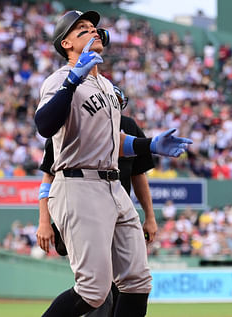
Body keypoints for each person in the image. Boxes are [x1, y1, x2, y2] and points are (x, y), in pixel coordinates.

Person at [34, 10, 192, 317]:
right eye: (82, 29)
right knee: (93, 291)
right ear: (66, 43)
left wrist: (151, 145)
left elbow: (114, 142)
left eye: (94, 27)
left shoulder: (107, 87)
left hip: (114, 186)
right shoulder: (57, 80)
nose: (92, 31)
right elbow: (44, 125)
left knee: (137, 281)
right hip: (78, 185)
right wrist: (71, 81)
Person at [36, 86, 157, 317]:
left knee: (133, 283)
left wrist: (149, 217)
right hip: (85, 206)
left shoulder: (128, 126)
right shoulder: (70, 125)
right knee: (97, 290)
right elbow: (48, 177)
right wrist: (44, 221)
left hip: (119, 210)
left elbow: (139, 174)